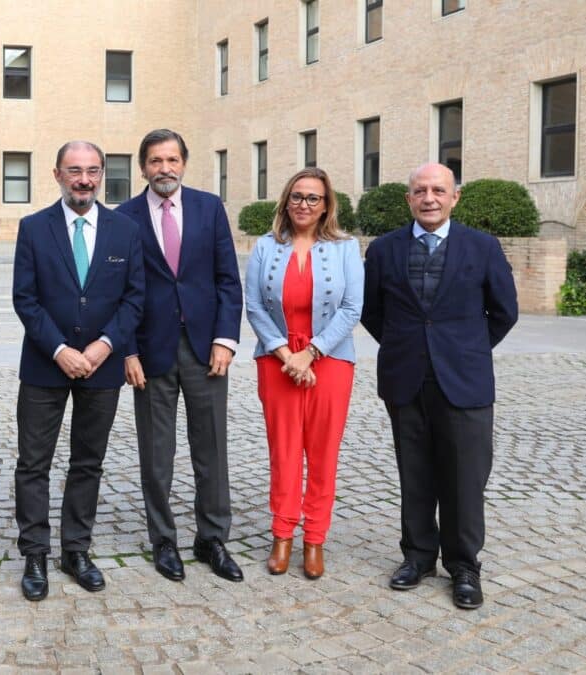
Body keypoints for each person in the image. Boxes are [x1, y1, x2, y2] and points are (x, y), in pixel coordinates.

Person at [361, 162, 517, 609]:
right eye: (419, 190)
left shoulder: (482, 247)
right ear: (408, 198)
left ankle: (464, 566)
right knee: (415, 472)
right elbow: (373, 312)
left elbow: (504, 311)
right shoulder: (385, 249)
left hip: (464, 379)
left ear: (455, 197)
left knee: (465, 477)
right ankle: (418, 556)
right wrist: (407, 345)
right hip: (406, 376)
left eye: (438, 190)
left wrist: (466, 348)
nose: (429, 198)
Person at [12, 140, 145, 601]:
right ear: (57, 175)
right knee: (33, 463)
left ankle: (76, 550)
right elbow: (24, 299)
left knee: (87, 462)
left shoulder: (124, 231)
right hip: (46, 366)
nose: (84, 179)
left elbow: (134, 299)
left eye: (92, 171)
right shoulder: (33, 228)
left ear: (101, 175)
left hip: (102, 369)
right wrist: (59, 349)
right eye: (74, 170)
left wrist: (105, 345)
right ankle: (34, 554)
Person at [117, 129, 245, 583]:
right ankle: (163, 539)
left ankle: (212, 538)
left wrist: (225, 340)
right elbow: (121, 293)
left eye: (172, 160)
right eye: (155, 161)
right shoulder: (125, 217)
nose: (164, 169)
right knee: (157, 454)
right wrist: (127, 351)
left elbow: (228, 280)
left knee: (211, 450)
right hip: (149, 354)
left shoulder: (210, 208)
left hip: (206, 349)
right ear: (143, 167)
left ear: (184, 164)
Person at [244, 167, 363, 579]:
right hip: (277, 361)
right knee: (284, 451)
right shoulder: (265, 246)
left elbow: (352, 308)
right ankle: (282, 535)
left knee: (323, 453)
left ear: (327, 204)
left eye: (313, 198)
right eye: (297, 196)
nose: (304, 204)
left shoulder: (347, 248)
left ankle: (315, 538)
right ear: (285, 200)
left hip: (329, 360)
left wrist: (310, 353)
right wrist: (286, 355)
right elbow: (255, 307)